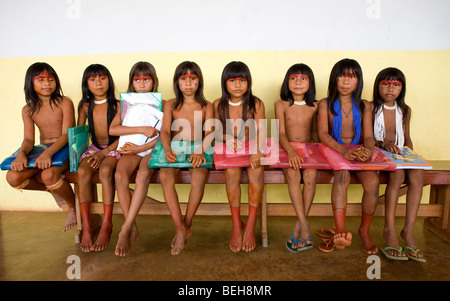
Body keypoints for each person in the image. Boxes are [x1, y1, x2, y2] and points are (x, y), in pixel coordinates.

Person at [317, 58, 379, 254]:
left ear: (358, 81)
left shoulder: (365, 106)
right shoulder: (325, 104)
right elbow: (323, 135)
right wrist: (343, 150)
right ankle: (341, 228)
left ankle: (364, 230)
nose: (345, 82)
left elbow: (369, 136)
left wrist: (367, 151)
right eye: (341, 76)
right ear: (333, 80)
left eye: (351, 77)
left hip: (358, 151)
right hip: (335, 150)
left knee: (372, 183)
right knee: (342, 178)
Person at [6, 62, 77, 232]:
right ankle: (54, 190)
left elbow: (67, 135)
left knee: (49, 174)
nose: (47, 83)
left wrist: (49, 154)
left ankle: (73, 206)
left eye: (50, 79)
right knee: (12, 178)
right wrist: (22, 154)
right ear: (30, 83)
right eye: (41, 80)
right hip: (42, 151)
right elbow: (29, 139)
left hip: (65, 148)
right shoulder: (27, 110)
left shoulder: (64, 102)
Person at [159, 61, 213, 255]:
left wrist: (200, 151)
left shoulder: (207, 105)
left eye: (193, 78)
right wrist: (167, 149)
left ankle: (186, 226)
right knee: (165, 176)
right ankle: (180, 227)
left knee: (199, 177)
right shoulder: (171, 104)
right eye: (183, 79)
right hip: (175, 148)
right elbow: (165, 131)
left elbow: (210, 132)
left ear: (199, 82)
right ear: (177, 82)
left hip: (199, 149)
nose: (188, 83)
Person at [373, 67, 426, 262]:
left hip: (399, 154)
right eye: (385, 83)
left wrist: (412, 157)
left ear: (401, 88)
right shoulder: (371, 107)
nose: (390, 89)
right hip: (379, 153)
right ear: (378, 86)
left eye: (395, 85)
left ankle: (408, 231)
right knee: (397, 174)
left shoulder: (404, 110)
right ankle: (389, 230)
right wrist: (384, 145)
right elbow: (367, 138)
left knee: (418, 173)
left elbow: (407, 139)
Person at [213, 61, 266, 252]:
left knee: (256, 171)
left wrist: (257, 151)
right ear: (224, 83)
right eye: (232, 80)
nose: (237, 85)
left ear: (248, 82)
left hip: (253, 148)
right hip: (230, 151)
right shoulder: (218, 104)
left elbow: (260, 130)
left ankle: (251, 224)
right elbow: (213, 131)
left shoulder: (256, 103)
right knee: (232, 173)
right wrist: (225, 137)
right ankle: (237, 224)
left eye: (242, 80)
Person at [111, 62, 161, 256]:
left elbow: (161, 136)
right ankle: (132, 226)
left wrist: (141, 147)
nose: (141, 84)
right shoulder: (126, 104)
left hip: (149, 149)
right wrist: (140, 129)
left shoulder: (161, 103)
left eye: (146, 80)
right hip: (130, 148)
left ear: (153, 81)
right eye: (137, 80)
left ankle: (126, 228)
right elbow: (113, 129)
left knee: (142, 175)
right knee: (119, 177)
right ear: (132, 82)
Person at [275, 63, 318, 252]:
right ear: (287, 82)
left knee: (310, 176)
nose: (298, 82)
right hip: (287, 149)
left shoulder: (316, 106)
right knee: (293, 175)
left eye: (303, 78)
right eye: (293, 78)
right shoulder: (281, 105)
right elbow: (281, 134)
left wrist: (317, 157)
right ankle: (304, 224)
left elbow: (316, 134)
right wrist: (291, 151)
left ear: (310, 83)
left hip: (309, 151)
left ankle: (299, 226)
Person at [76, 64, 120, 252]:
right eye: (92, 79)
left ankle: (107, 223)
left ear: (109, 80)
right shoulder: (85, 106)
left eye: (102, 78)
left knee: (105, 171)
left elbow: (123, 136)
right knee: (83, 172)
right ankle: (87, 225)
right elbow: (78, 133)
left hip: (113, 148)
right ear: (87, 84)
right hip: (94, 148)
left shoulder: (117, 104)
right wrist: (77, 156)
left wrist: (104, 153)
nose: (98, 83)